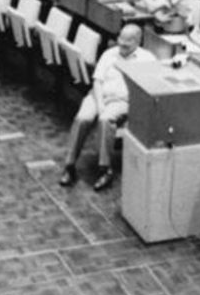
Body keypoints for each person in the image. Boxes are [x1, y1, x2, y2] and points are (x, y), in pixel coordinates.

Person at [61, 24, 155, 190]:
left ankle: (106, 169)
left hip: (122, 101)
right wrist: (100, 103)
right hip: (98, 95)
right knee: (82, 118)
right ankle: (69, 165)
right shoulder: (109, 54)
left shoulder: (147, 59)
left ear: (138, 41)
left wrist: (105, 109)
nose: (123, 44)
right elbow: (97, 81)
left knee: (105, 120)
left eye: (128, 41)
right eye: (121, 39)